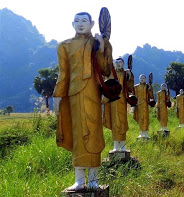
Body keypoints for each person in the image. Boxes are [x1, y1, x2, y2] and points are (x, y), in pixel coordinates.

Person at [53, 12, 113, 191]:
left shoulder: (95, 43)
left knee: (93, 133)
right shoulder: (64, 46)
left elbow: (106, 69)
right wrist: (57, 95)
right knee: (78, 135)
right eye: (77, 21)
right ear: (72, 24)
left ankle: (93, 180)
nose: (80, 24)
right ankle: (79, 180)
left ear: (92, 23)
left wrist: (102, 47)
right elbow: (63, 74)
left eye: (84, 21)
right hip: (73, 94)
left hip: (92, 92)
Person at [103, 58, 134, 152]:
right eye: (116, 62)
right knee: (114, 122)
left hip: (122, 101)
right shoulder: (110, 74)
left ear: (123, 63)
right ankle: (116, 146)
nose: (118, 64)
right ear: (113, 64)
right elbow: (105, 86)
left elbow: (130, 88)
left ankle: (123, 145)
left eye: (120, 62)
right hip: (112, 101)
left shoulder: (125, 73)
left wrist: (129, 77)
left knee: (122, 121)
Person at [134, 74, 154, 139]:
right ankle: (141, 133)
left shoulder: (147, 86)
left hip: (145, 104)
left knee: (145, 118)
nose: (142, 79)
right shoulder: (136, 87)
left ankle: (146, 133)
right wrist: (134, 104)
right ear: (139, 79)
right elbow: (134, 96)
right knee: (140, 118)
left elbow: (151, 96)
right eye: (141, 78)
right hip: (138, 104)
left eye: (143, 78)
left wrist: (150, 89)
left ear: (145, 79)